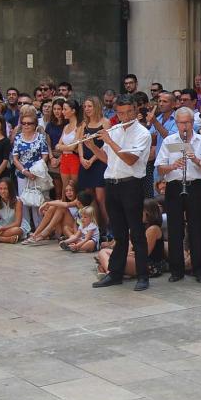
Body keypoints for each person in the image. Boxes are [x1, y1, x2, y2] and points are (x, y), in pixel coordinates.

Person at [90, 95, 153, 292]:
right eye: (120, 113)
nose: (124, 116)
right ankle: (115, 273)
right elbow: (109, 159)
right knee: (117, 231)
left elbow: (129, 159)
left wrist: (108, 139)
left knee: (136, 230)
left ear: (135, 110)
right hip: (112, 184)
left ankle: (143, 275)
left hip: (132, 184)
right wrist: (92, 146)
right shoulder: (115, 130)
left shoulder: (143, 133)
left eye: (128, 112)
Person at [156, 107, 201, 283]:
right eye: (182, 122)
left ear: (192, 123)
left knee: (197, 228)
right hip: (174, 186)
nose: (185, 126)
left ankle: (200, 270)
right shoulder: (169, 141)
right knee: (175, 229)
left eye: (188, 122)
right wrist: (173, 166)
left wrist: (195, 159)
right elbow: (160, 168)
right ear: (176, 123)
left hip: (195, 186)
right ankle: (177, 270)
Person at [96, 199, 165, 279]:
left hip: (148, 265)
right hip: (137, 259)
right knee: (104, 252)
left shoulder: (153, 229)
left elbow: (144, 253)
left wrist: (127, 253)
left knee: (109, 258)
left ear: (149, 213)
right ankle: (112, 272)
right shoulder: (141, 227)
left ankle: (111, 273)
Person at [11, 106, 49, 229]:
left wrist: (36, 170)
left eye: (30, 123)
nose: (26, 125)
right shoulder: (18, 138)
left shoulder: (40, 137)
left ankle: (39, 228)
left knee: (37, 201)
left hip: (37, 174)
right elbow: (15, 158)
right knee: (24, 201)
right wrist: (24, 171)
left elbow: (45, 155)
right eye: (24, 123)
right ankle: (25, 228)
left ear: (35, 124)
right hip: (22, 174)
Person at [78, 97, 109, 232]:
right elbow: (79, 143)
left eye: (89, 106)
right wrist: (81, 158)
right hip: (85, 162)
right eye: (85, 107)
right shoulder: (84, 124)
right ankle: (93, 228)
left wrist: (92, 160)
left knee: (101, 197)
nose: (87, 109)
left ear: (96, 107)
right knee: (89, 197)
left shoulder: (105, 122)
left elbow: (106, 145)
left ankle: (108, 228)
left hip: (99, 162)